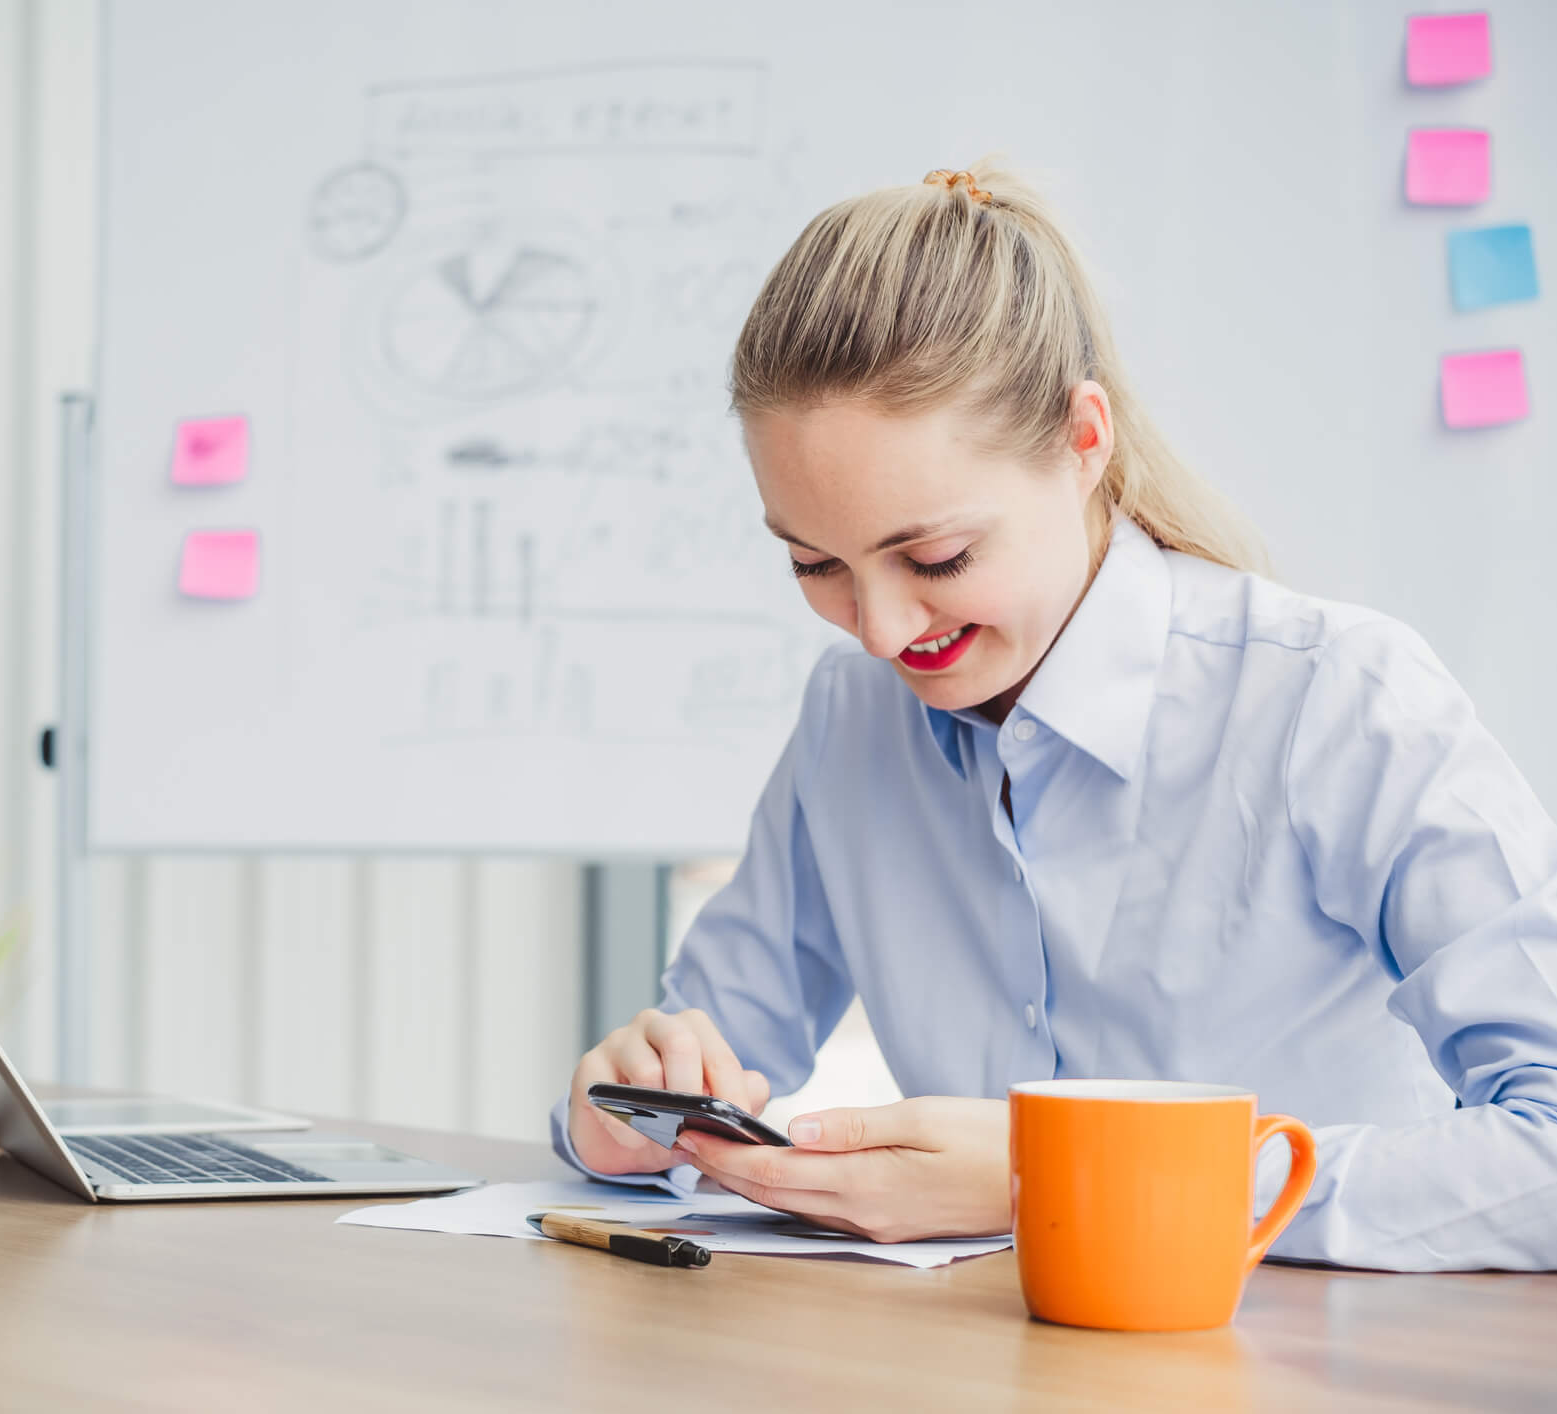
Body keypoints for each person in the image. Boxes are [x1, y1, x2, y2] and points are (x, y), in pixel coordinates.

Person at [551, 161, 1557, 1272]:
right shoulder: (852, 717)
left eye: (935, 556)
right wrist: (631, 1111)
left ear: (1085, 441)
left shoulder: (1339, 699)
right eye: (814, 563)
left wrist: (1073, 1171)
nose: (881, 631)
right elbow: (715, 1048)